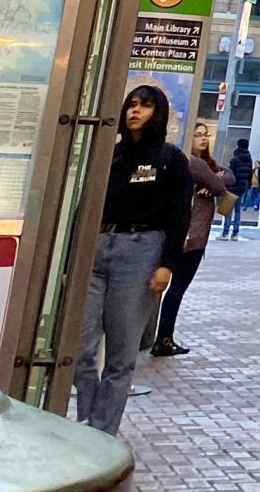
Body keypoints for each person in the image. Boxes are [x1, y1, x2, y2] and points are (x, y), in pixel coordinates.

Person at [73, 83, 189, 436]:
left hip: (141, 251)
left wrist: (167, 264)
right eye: (131, 105)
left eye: (145, 106)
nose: (135, 111)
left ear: (159, 113)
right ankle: (88, 424)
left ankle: (99, 432)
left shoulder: (170, 158)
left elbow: (179, 215)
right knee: (79, 350)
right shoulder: (111, 155)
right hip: (98, 246)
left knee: (121, 356)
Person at [151, 121, 234, 357]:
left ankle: (162, 337)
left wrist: (213, 179)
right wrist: (213, 181)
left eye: (205, 135)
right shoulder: (193, 162)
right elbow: (220, 184)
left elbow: (228, 176)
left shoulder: (197, 164)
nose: (203, 139)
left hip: (188, 233)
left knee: (172, 289)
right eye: (197, 135)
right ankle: (163, 338)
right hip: (191, 236)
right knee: (176, 289)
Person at [223, 136, 255, 238]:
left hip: (232, 187)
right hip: (242, 188)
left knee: (228, 210)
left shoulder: (235, 159)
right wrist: (247, 185)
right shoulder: (249, 160)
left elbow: (230, 174)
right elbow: (250, 174)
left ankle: (225, 232)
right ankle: (235, 233)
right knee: (237, 210)